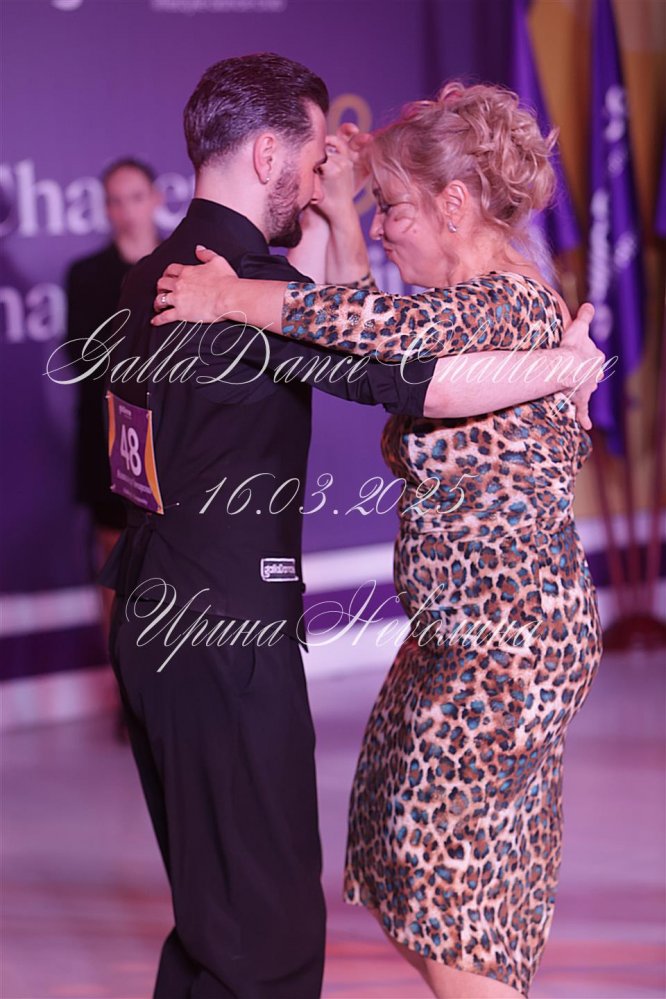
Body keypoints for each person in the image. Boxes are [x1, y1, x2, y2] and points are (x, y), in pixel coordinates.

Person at [151, 80, 604, 999]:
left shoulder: (505, 304)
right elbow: (379, 350)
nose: (384, 228)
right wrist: (342, 220)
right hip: (465, 632)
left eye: (392, 208)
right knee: (405, 852)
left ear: (454, 204)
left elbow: (382, 334)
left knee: (446, 886)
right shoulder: (487, 306)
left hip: (505, 641)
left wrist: (231, 295)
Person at [65, 158, 162, 646]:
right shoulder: (85, 275)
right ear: (105, 209)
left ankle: (171, 679)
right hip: (107, 434)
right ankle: (121, 679)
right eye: (115, 201)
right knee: (112, 552)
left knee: (174, 554)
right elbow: (82, 358)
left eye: (136, 197)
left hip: (173, 434)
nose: (127, 211)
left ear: (156, 199)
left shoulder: (185, 267)